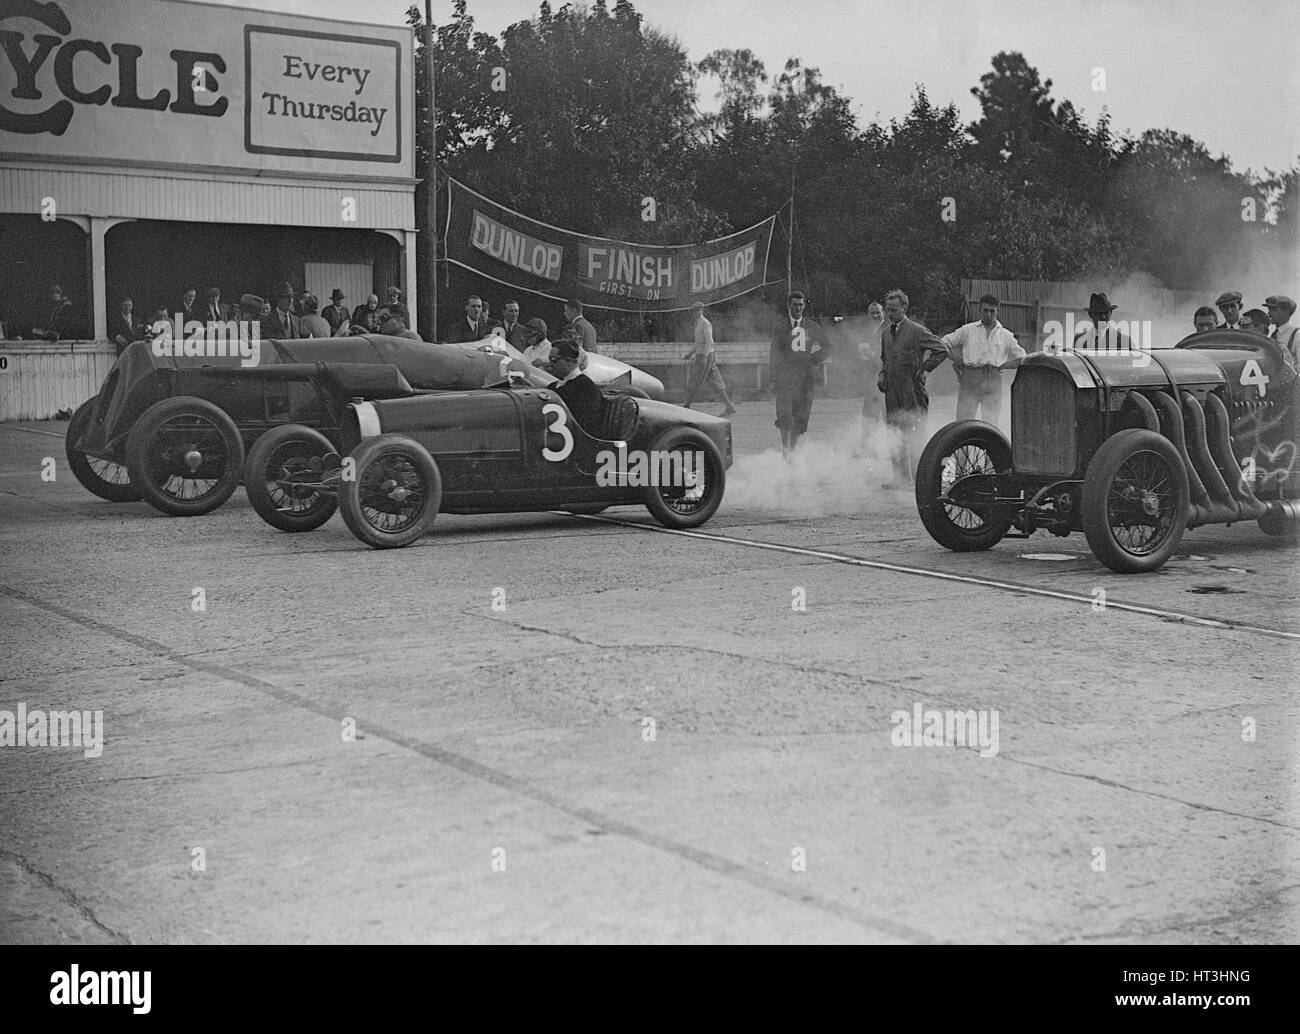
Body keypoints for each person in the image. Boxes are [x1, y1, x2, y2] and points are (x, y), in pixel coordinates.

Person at [878, 288, 947, 489]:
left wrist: (924, 368)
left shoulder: (917, 331)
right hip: (892, 392)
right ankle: (899, 478)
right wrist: (882, 373)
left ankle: (920, 479)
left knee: (916, 433)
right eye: (888, 310)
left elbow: (942, 349)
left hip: (912, 391)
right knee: (894, 432)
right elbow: (884, 359)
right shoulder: (885, 333)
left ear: (904, 308)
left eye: (893, 310)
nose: (890, 314)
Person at [942, 293, 1026, 427]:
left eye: (992, 311)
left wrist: (1003, 366)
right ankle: (963, 448)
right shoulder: (968, 330)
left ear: (998, 311)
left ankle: (989, 448)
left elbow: (1023, 358)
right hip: (970, 378)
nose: (988, 314)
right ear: (979, 310)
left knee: (990, 424)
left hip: (993, 380)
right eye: (985, 310)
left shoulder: (1006, 335)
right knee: (963, 423)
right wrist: (958, 360)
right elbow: (943, 343)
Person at [770, 291, 831, 457]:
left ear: (804, 306)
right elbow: (774, 353)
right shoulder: (780, 327)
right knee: (784, 414)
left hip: (805, 379)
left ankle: (792, 450)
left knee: (800, 417)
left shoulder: (812, 326)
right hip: (785, 377)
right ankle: (785, 450)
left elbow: (828, 347)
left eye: (800, 304)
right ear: (789, 306)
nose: (798, 308)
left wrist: (813, 360)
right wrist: (772, 378)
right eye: (795, 304)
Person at [682, 302, 737, 415]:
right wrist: (691, 353)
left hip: (705, 355)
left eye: (698, 310)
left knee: (695, 379)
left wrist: (705, 356)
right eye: (694, 310)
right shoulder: (698, 324)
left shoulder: (705, 323)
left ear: (702, 310)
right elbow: (699, 342)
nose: (695, 312)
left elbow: (709, 341)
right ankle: (729, 406)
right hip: (703, 354)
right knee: (714, 381)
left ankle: (686, 406)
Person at [549, 337, 602, 432]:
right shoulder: (553, 386)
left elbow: (586, 424)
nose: (550, 364)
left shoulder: (586, 388)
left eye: (553, 360)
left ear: (568, 361)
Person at [1265, 295, 1299, 363]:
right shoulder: (1273, 335)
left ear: (1285, 312)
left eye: (1273, 309)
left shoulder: (1297, 335)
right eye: (1269, 309)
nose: (1269, 313)